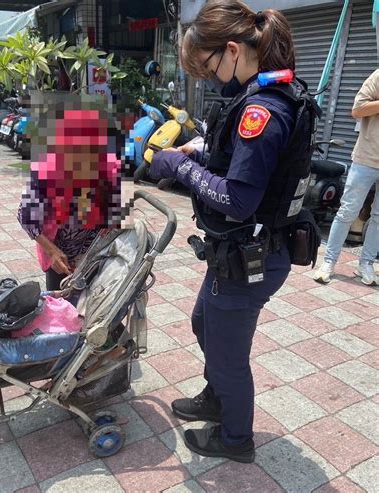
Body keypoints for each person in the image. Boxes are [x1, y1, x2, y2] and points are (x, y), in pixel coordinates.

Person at [149, 0, 319, 462]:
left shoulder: (262, 111)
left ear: (231, 49)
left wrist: (180, 167)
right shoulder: (257, 98)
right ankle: (216, 397)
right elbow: (236, 168)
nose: (208, 78)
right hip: (239, 250)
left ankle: (236, 439)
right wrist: (196, 156)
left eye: (207, 68)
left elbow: (238, 199)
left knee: (227, 352)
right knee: (204, 322)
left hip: (254, 255)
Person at [18, 100, 125, 291]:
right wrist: (52, 252)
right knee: (60, 302)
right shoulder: (46, 172)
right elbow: (26, 218)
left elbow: (118, 206)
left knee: (91, 306)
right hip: (58, 252)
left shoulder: (108, 167)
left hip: (94, 250)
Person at [314, 70, 379, 286]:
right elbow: (358, 109)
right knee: (347, 212)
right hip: (367, 158)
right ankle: (329, 261)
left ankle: (366, 264)